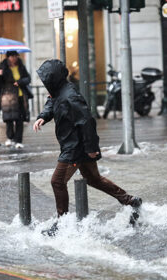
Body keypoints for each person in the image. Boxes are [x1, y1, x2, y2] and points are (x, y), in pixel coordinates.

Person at [33, 59, 142, 236]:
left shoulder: (70, 96)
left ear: (53, 79)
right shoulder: (59, 92)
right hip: (75, 145)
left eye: (46, 80)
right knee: (94, 179)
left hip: (75, 148)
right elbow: (51, 102)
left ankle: (62, 224)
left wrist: (92, 148)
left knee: (57, 181)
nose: (44, 84)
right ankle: (130, 201)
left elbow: (87, 122)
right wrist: (43, 117)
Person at [0, 51, 31, 149]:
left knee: (19, 119)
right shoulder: (3, 67)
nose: (14, 58)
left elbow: (28, 78)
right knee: (9, 118)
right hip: (8, 96)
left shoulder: (21, 66)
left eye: (15, 56)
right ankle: (10, 138)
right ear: (8, 57)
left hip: (20, 95)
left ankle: (18, 140)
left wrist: (20, 82)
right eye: (12, 56)